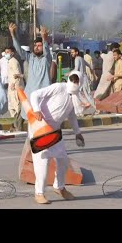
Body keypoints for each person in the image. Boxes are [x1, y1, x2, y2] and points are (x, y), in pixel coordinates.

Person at [28, 71, 86, 204]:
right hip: (40, 127)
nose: (74, 83)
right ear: (69, 79)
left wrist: (77, 132)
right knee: (42, 162)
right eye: (73, 80)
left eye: (77, 81)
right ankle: (39, 193)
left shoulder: (74, 98)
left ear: (80, 83)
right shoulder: (58, 87)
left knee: (63, 160)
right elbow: (35, 94)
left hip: (55, 131)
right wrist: (36, 110)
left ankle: (59, 187)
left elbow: (72, 116)